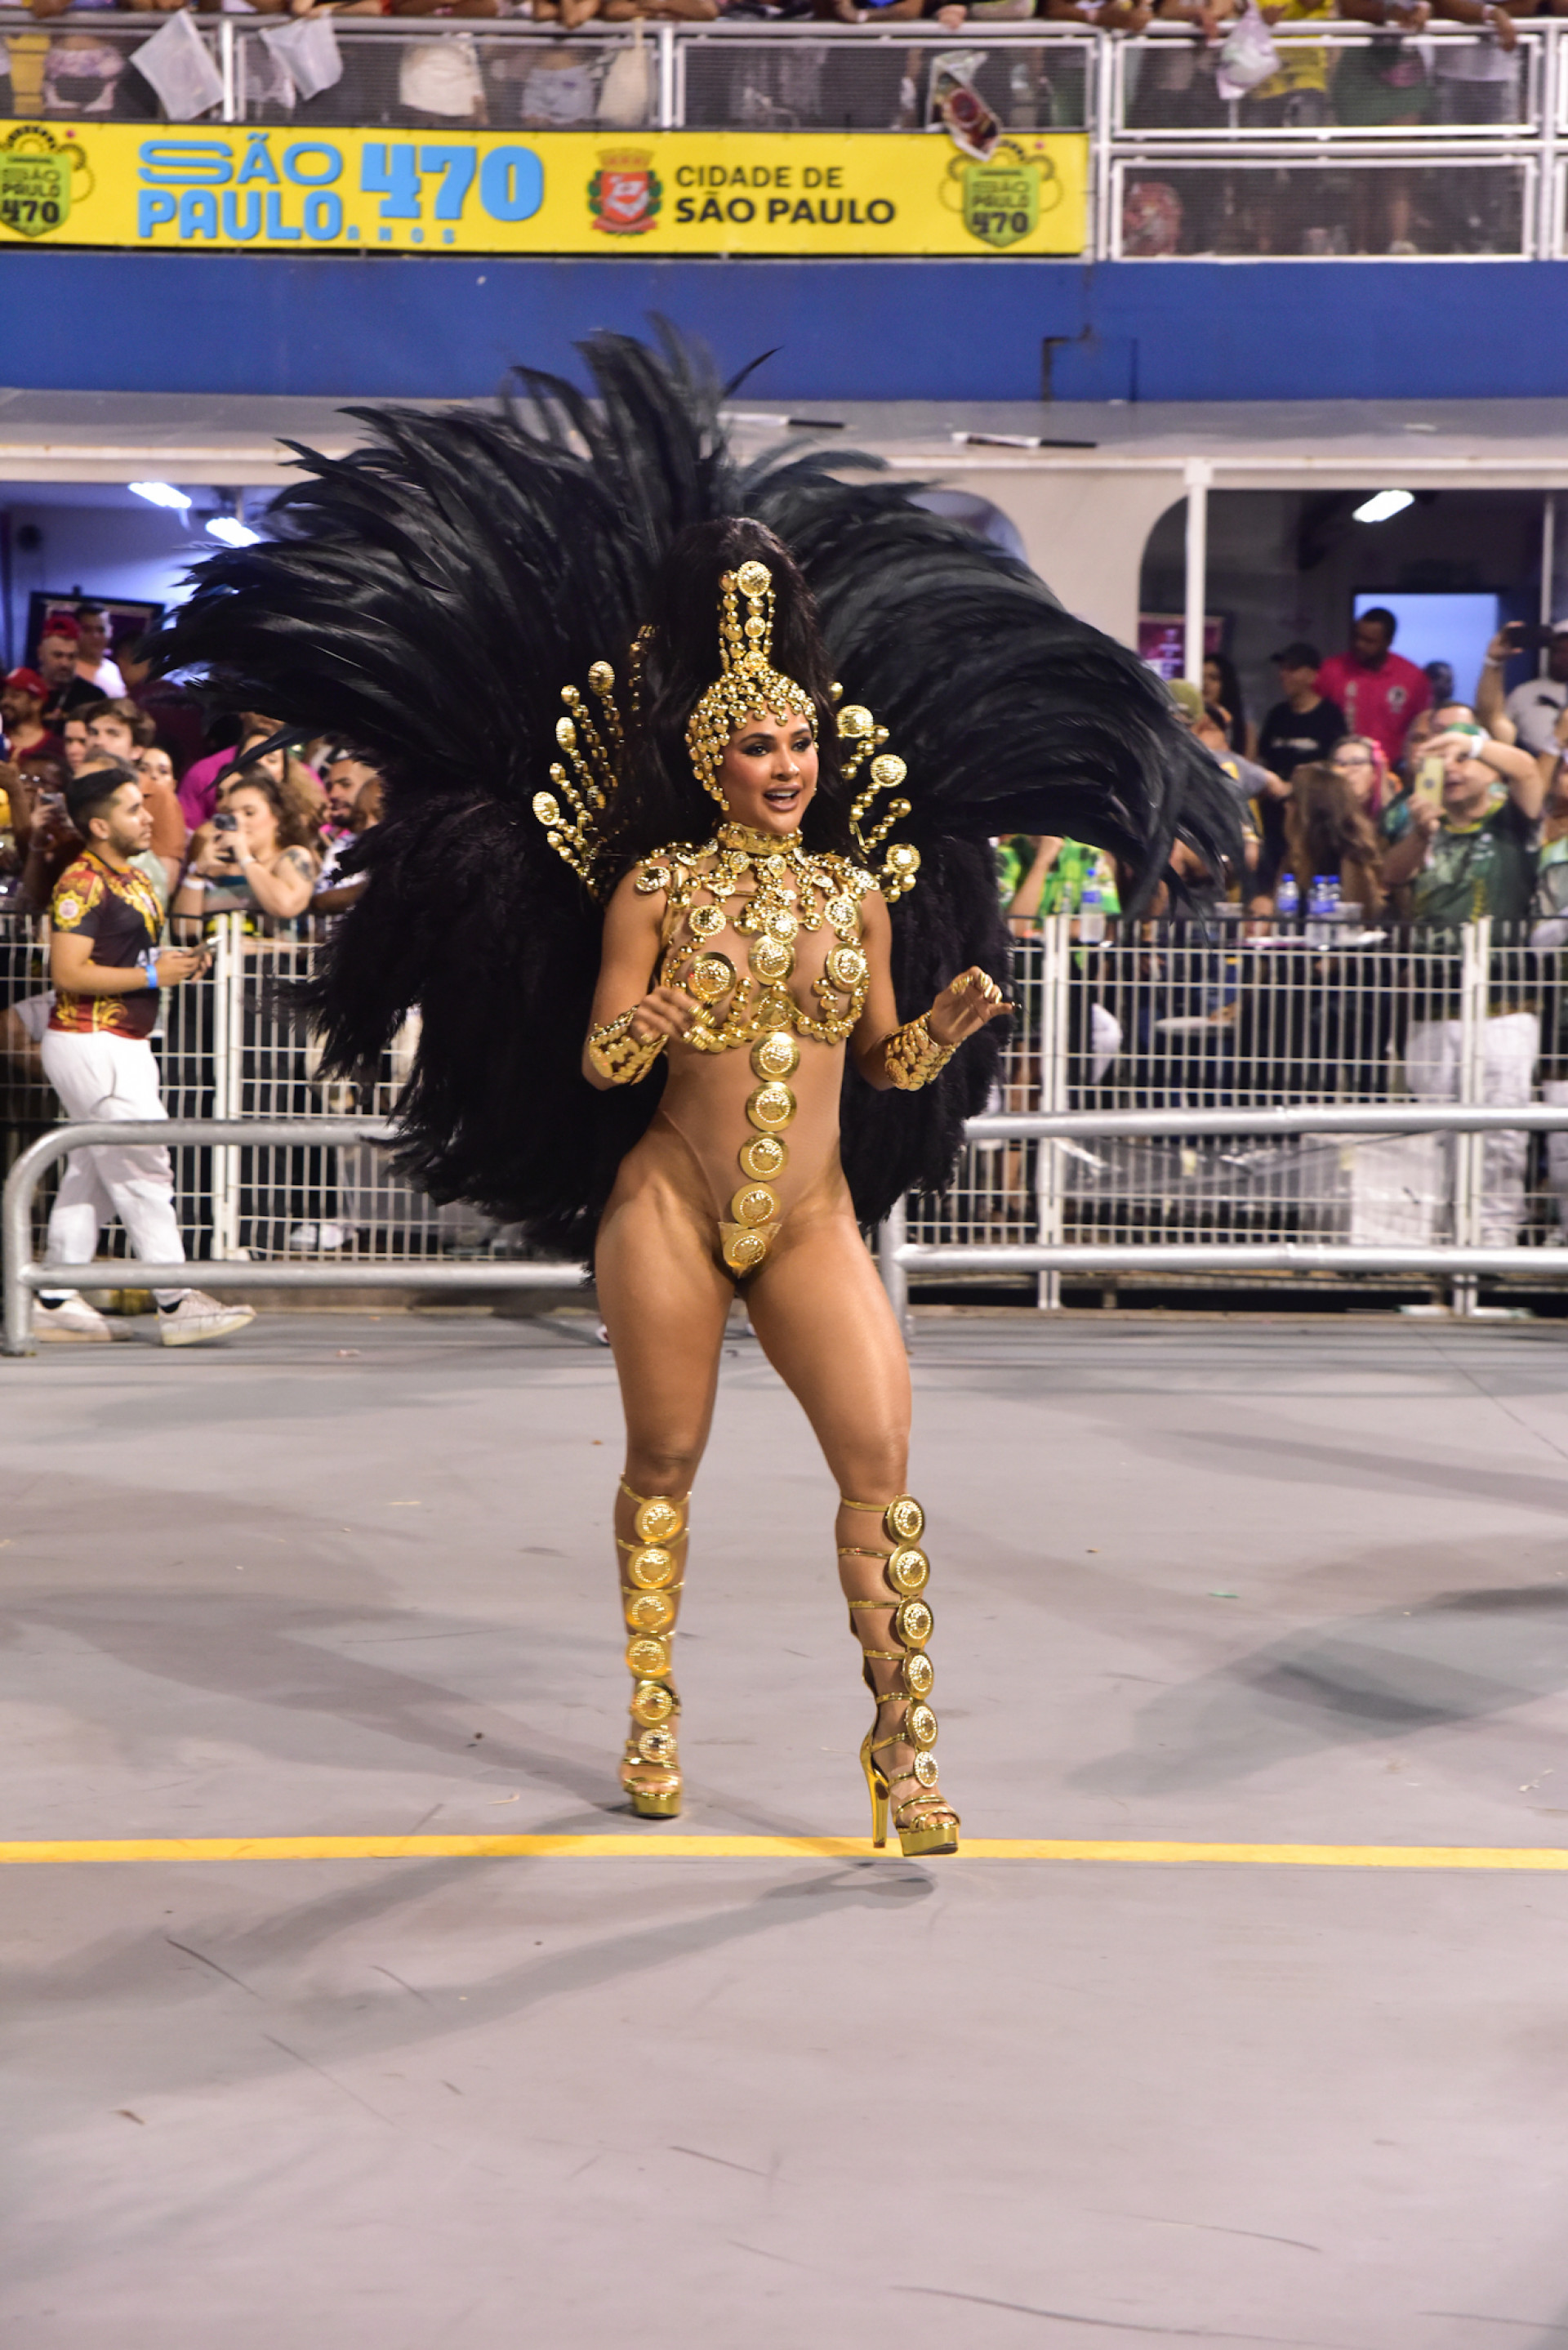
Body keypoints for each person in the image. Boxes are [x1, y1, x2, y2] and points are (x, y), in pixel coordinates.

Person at [152, 332, 1232, 1850]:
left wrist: (947, 1024)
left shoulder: (856, 894)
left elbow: (884, 1066)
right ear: (712, 759)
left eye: (800, 743)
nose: (786, 766)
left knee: (882, 1475)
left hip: (813, 1222)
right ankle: (653, 1708)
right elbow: (602, 1058)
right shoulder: (652, 887)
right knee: (665, 1463)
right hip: (666, 1207)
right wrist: (645, 1017)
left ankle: (905, 1752)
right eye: (758, 747)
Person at [33, 762, 256, 1346]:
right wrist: (155, 975)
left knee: (92, 1173)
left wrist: (170, 965)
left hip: (122, 1044)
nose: (149, 817)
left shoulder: (131, 877)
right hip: (94, 1043)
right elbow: (68, 972)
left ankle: (52, 1297)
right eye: (133, 809)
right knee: (143, 1167)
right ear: (99, 826)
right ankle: (176, 1300)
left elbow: (127, 958)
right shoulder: (81, 883)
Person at [1383, 721, 1547, 1244]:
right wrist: (1420, 833)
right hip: (1433, 1005)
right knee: (1437, 1133)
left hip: (1505, 1005)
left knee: (1502, 1133)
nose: (1452, 771)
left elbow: (1527, 770)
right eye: (1441, 762)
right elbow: (1392, 875)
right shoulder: (1418, 820)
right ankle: (1440, 1246)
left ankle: (1493, 1245)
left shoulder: (1513, 821)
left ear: (1488, 768)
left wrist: (1471, 742)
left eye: (1463, 760)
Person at [174, 770, 320, 939]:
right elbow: (184, 929)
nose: (238, 821)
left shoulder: (292, 857)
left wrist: (245, 858)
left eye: (249, 813)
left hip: (268, 955)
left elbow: (285, 906)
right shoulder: (217, 867)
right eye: (230, 814)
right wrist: (196, 873)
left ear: (277, 817)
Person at [84, 698, 185, 885]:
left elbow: (166, 880)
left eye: (113, 733)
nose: (98, 742)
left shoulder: (158, 797)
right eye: (93, 732)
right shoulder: (77, 790)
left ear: (136, 751)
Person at [1316, 608, 1432, 767]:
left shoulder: (1413, 678)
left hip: (1393, 768)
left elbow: (1423, 728)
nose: (1359, 644)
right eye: (1356, 637)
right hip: (1340, 766)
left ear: (1388, 641)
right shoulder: (1330, 670)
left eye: (1369, 641)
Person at [1280, 759, 1388, 920]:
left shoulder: (1350, 861)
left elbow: (1359, 920)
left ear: (1309, 809)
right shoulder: (1296, 855)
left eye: (1293, 798)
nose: (1286, 805)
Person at [1476, 620, 1568, 756]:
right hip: (1534, 764)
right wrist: (1493, 661)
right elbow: (1493, 721)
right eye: (1560, 650)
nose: (1564, 657)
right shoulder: (1526, 692)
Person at [1258, 641, 1346, 780]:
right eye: (1282, 668)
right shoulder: (1277, 715)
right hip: (1276, 790)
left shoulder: (1330, 716)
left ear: (1312, 675)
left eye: (1292, 669)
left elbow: (1337, 765)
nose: (1283, 675)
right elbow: (1263, 759)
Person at [36, 616, 98, 729]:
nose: (65, 664)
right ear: (40, 654)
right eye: (58, 655)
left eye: (71, 657)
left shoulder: (93, 697)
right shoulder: (23, 691)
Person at [1, 667, 63, 769]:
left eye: (15, 696)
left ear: (36, 703)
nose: (5, 701)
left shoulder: (56, 748)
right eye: (4, 695)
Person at [70, 604, 127, 698]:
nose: (95, 636)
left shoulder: (116, 670)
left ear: (111, 631)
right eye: (87, 630)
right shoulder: (68, 670)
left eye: (101, 630)